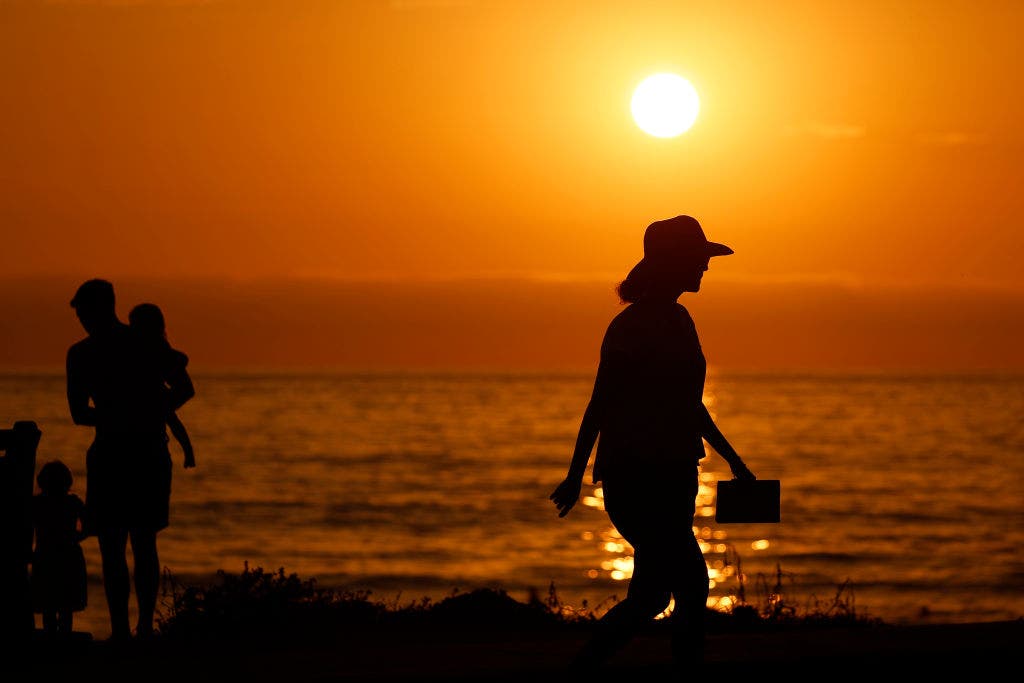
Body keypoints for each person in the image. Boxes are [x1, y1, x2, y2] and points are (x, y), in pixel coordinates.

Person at [549, 215, 757, 675]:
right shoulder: (631, 327)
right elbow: (600, 402)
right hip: (637, 477)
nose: (705, 267)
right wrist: (574, 475)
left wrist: (734, 461)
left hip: (677, 472)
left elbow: (689, 404)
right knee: (690, 584)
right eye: (699, 258)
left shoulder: (681, 320)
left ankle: (582, 671)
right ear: (673, 263)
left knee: (652, 595)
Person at [66, 279, 195, 641]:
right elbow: (79, 413)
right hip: (124, 451)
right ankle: (127, 629)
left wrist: (148, 411)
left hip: (133, 451)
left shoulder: (135, 343)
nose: (82, 321)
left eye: (85, 313)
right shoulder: (86, 352)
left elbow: (184, 387)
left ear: (104, 308)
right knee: (121, 543)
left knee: (136, 542)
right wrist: (142, 412)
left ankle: (139, 628)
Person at [129, 303, 196, 470]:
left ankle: (189, 452)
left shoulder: (155, 348)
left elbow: (186, 387)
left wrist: (160, 407)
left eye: (135, 324)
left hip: (153, 442)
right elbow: (180, 360)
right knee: (170, 417)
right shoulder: (139, 349)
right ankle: (189, 452)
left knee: (170, 417)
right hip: (149, 440)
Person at [30, 460, 88, 637]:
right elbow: (89, 525)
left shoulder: (36, 503)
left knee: (48, 603)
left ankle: (50, 637)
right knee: (66, 605)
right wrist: (76, 537)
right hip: (69, 556)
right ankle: (64, 637)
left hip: (44, 555)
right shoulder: (74, 502)